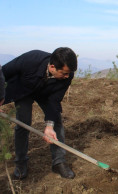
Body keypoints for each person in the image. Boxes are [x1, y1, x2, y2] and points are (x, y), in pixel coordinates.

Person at [2, 48, 77, 179]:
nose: (67, 76)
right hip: (23, 91)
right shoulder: (31, 59)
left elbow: (54, 101)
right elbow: (3, 73)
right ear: (52, 67)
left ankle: (58, 162)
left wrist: (49, 126)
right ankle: (21, 163)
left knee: (56, 122)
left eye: (69, 73)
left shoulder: (67, 75)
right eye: (64, 73)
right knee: (23, 123)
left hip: (47, 95)